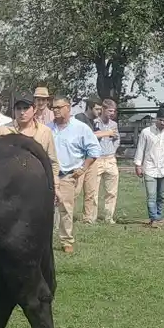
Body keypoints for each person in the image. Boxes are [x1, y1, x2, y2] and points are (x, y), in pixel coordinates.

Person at [48, 97, 101, 253]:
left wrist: (83, 168)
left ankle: (66, 241)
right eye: (53, 108)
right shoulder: (47, 129)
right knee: (45, 208)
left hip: (68, 174)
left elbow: (94, 150)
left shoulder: (81, 128)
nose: (55, 110)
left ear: (68, 108)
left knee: (65, 207)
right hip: (47, 174)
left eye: (59, 107)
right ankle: (43, 240)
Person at [81, 98, 121, 224]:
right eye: (109, 111)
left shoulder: (113, 124)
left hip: (110, 158)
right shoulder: (94, 122)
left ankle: (108, 217)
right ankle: (91, 217)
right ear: (103, 109)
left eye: (113, 111)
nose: (111, 114)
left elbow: (117, 139)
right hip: (97, 159)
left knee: (111, 191)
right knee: (93, 190)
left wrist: (113, 149)